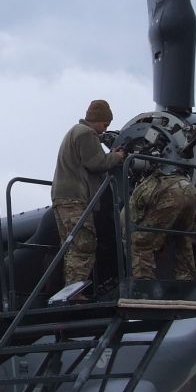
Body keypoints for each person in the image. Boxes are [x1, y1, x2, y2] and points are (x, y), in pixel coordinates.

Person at [51, 100, 126, 294]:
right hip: (76, 198)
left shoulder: (74, 132)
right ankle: (74, 293)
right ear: (97, 120)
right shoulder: (87, 134)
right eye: (105, 124)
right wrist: (117, 157)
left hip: (63, 197)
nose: (105, 130)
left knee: (71, 245)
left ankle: (68, 291)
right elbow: (96, 163)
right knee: (84, 244)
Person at [128, 168, 196, 281]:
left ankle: (144, 280)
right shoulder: (167, 177)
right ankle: (186, 279)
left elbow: (135, 215)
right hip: (192, 193)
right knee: (184, 240)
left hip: (171, 197)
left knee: (141, 242)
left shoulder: (143, 186)